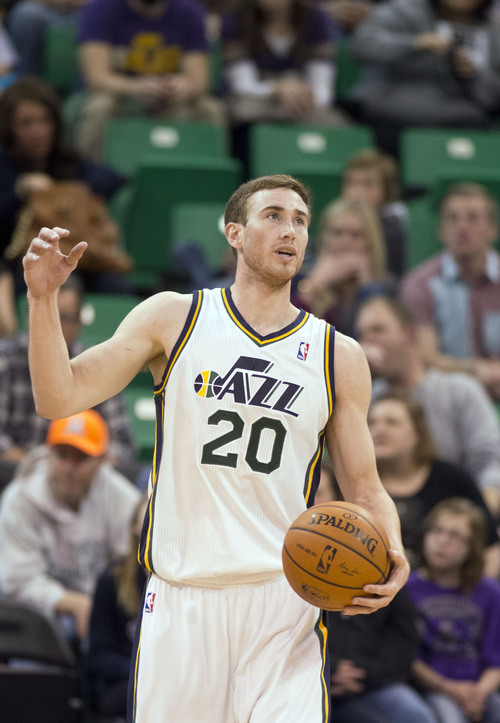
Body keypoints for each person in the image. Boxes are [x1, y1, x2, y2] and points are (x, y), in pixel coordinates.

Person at [22, 173, 409, 722]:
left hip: (284, 599)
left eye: (300, 220)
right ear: (234, 232)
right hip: (184, 597)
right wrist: (43, 298)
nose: (291, 230)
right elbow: (58, 397)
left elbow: (365, 486)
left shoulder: (336, 354)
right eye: (273, 215)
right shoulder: (173, 318)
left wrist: (392, 545)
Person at [0, 409, 141, 647]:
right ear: (47, 453)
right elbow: (17, 581)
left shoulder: (120, 496)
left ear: (103, 460)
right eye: (62, 455)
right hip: (37, 623)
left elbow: (128, 567)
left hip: (102, 618)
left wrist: (98, 607)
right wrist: (74, 603)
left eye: (82, 458)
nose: (69, 467)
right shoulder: (20, 498)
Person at [355, 295, 500, 519]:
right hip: (388, 522)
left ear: (408, 333)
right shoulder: (364, 397)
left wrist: (475, 521)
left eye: (378, 330)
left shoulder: (460, 391)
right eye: (363, 334)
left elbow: (492, 462)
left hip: (459, 519)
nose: (368, 342)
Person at [0, 275, 137, 490]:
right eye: (44, 315)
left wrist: (75, 467)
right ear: (29, 317)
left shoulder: (97, 365)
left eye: (62, 318)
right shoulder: (4, 360)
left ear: (79, 323)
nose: (51, 325)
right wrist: (47, 470)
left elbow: (120, 448)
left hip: (80, 489)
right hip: (13, 482)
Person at [0, 75, 130, 294]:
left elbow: (112, 178)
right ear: (9, 128)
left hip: (75, 255)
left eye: (45, 120)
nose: (38, 131)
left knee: (114, 285)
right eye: (27, 123)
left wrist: (62, 193)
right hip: (19, 263)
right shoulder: (4, 166)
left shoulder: (64, 161)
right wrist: (19, 191)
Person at [70, 0, 226, 162]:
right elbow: (96, 79)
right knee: (101, 106)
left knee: (210, 109)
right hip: (121, 99)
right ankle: (93, 176)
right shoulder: (100, 8)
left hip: (168, 102)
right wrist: (137, 87)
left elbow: (199, 82)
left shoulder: (189, 11)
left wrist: (181, 86)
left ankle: (207, 178)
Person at [367, 390, 500, 577]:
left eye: (392, 422)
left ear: (418, 432)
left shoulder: (452, 478)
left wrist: (474, 598)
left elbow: (491, 548)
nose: (378, 430)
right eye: (372, 422)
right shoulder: (354, 480)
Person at [348, 0, 500, 155]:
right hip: (392, 114)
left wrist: (473, 75)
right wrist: (415, 43)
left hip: (460, 122)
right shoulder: (404, 10)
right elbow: (363, 45)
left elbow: (493, 94)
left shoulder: (493, 29)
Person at [399, 182, 500, 402]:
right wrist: (475, 370)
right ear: (441, 230)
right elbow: (425, 357)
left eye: (472, 218)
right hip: (446, 398)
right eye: (453, 219)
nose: (462, 227)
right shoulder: (419, 284)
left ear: (493, 229)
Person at [407, 497, 500, 723]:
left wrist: (478, 693)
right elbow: (409, 659)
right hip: (432, 687)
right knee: (450, 717)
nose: (442, 541)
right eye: (436, 531)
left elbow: (495, 658)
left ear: (473, 546)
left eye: (455, 536)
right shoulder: (407, 589)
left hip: (478, 687)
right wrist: (449, 688)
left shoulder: (490, 592)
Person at [220, 0, 347, 126]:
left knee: (333, 123)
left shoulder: (316, 17)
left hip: (304, 103)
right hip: (257, 102)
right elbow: (241, 86)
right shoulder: (235, 17)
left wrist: (300, 96)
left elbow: (323, 91)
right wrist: (277, 89)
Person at [328, 588, 438, 723]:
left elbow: (404, 644)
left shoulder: (388, 577)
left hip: (372, 685)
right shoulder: (308, 577)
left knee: (416, 715)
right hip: (313, 679)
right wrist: (330, 669)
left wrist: (359, 673)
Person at [293, 197, 394, 338]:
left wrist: (368, 287)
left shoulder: (388, 288)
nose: (345, 242)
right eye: (337, 232)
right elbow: (284, 334)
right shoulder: (296, 279)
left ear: (371, 243)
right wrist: (314, 284)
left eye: (356, 235)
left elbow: (380, 342)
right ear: (323, 237)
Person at [88, 492, 148, 719]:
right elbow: (99, 656)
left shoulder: (186, 585)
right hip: (125, 681)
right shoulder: (112, 580)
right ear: (134, 526)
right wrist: (141, 672)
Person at [340, 147, 408, 280]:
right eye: (352, 183)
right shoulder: (333, 222)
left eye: (367, 184)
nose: (357, 192)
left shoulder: (392, 233)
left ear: (386, 191)